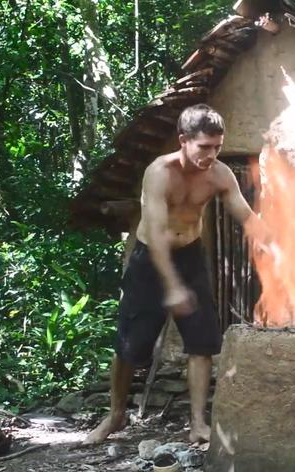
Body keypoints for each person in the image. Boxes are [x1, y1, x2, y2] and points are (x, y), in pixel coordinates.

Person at [85, 104, 264, 444]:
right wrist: (172, 287)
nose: (211, 155)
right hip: (150, 260)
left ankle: (198, 423)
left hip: (190, 257)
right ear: (183, 140)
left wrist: (275, 241)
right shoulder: (159, 173)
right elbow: (155, 233)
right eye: (204, 147)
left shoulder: (220, 174)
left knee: (202, 342)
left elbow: (245, 214)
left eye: (217, 146)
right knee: (129, 346)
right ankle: (115, 416)